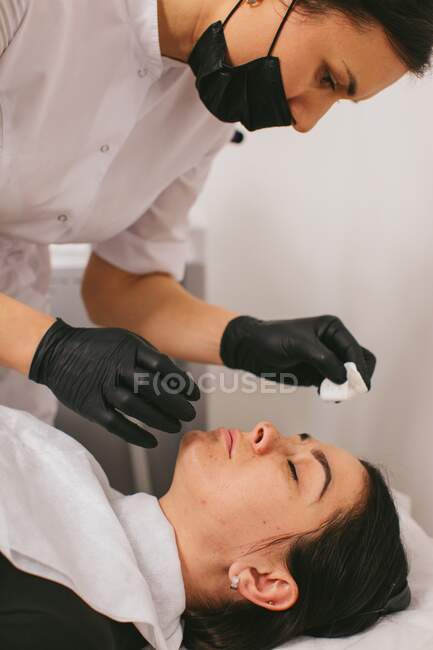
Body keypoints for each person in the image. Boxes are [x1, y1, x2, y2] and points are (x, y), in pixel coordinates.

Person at [2, 0, 432, 443]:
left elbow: (120, 286)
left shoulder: (209, 102)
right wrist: (49, 350)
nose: (307, 121)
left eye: (339, 98)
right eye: (328, 78)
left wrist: (242, 339)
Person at [0, 407, 410, 649]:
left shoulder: (59, 622)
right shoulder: (84, 501)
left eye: (293, 469)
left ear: (264, 581)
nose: (266, 429)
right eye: (296, 439)